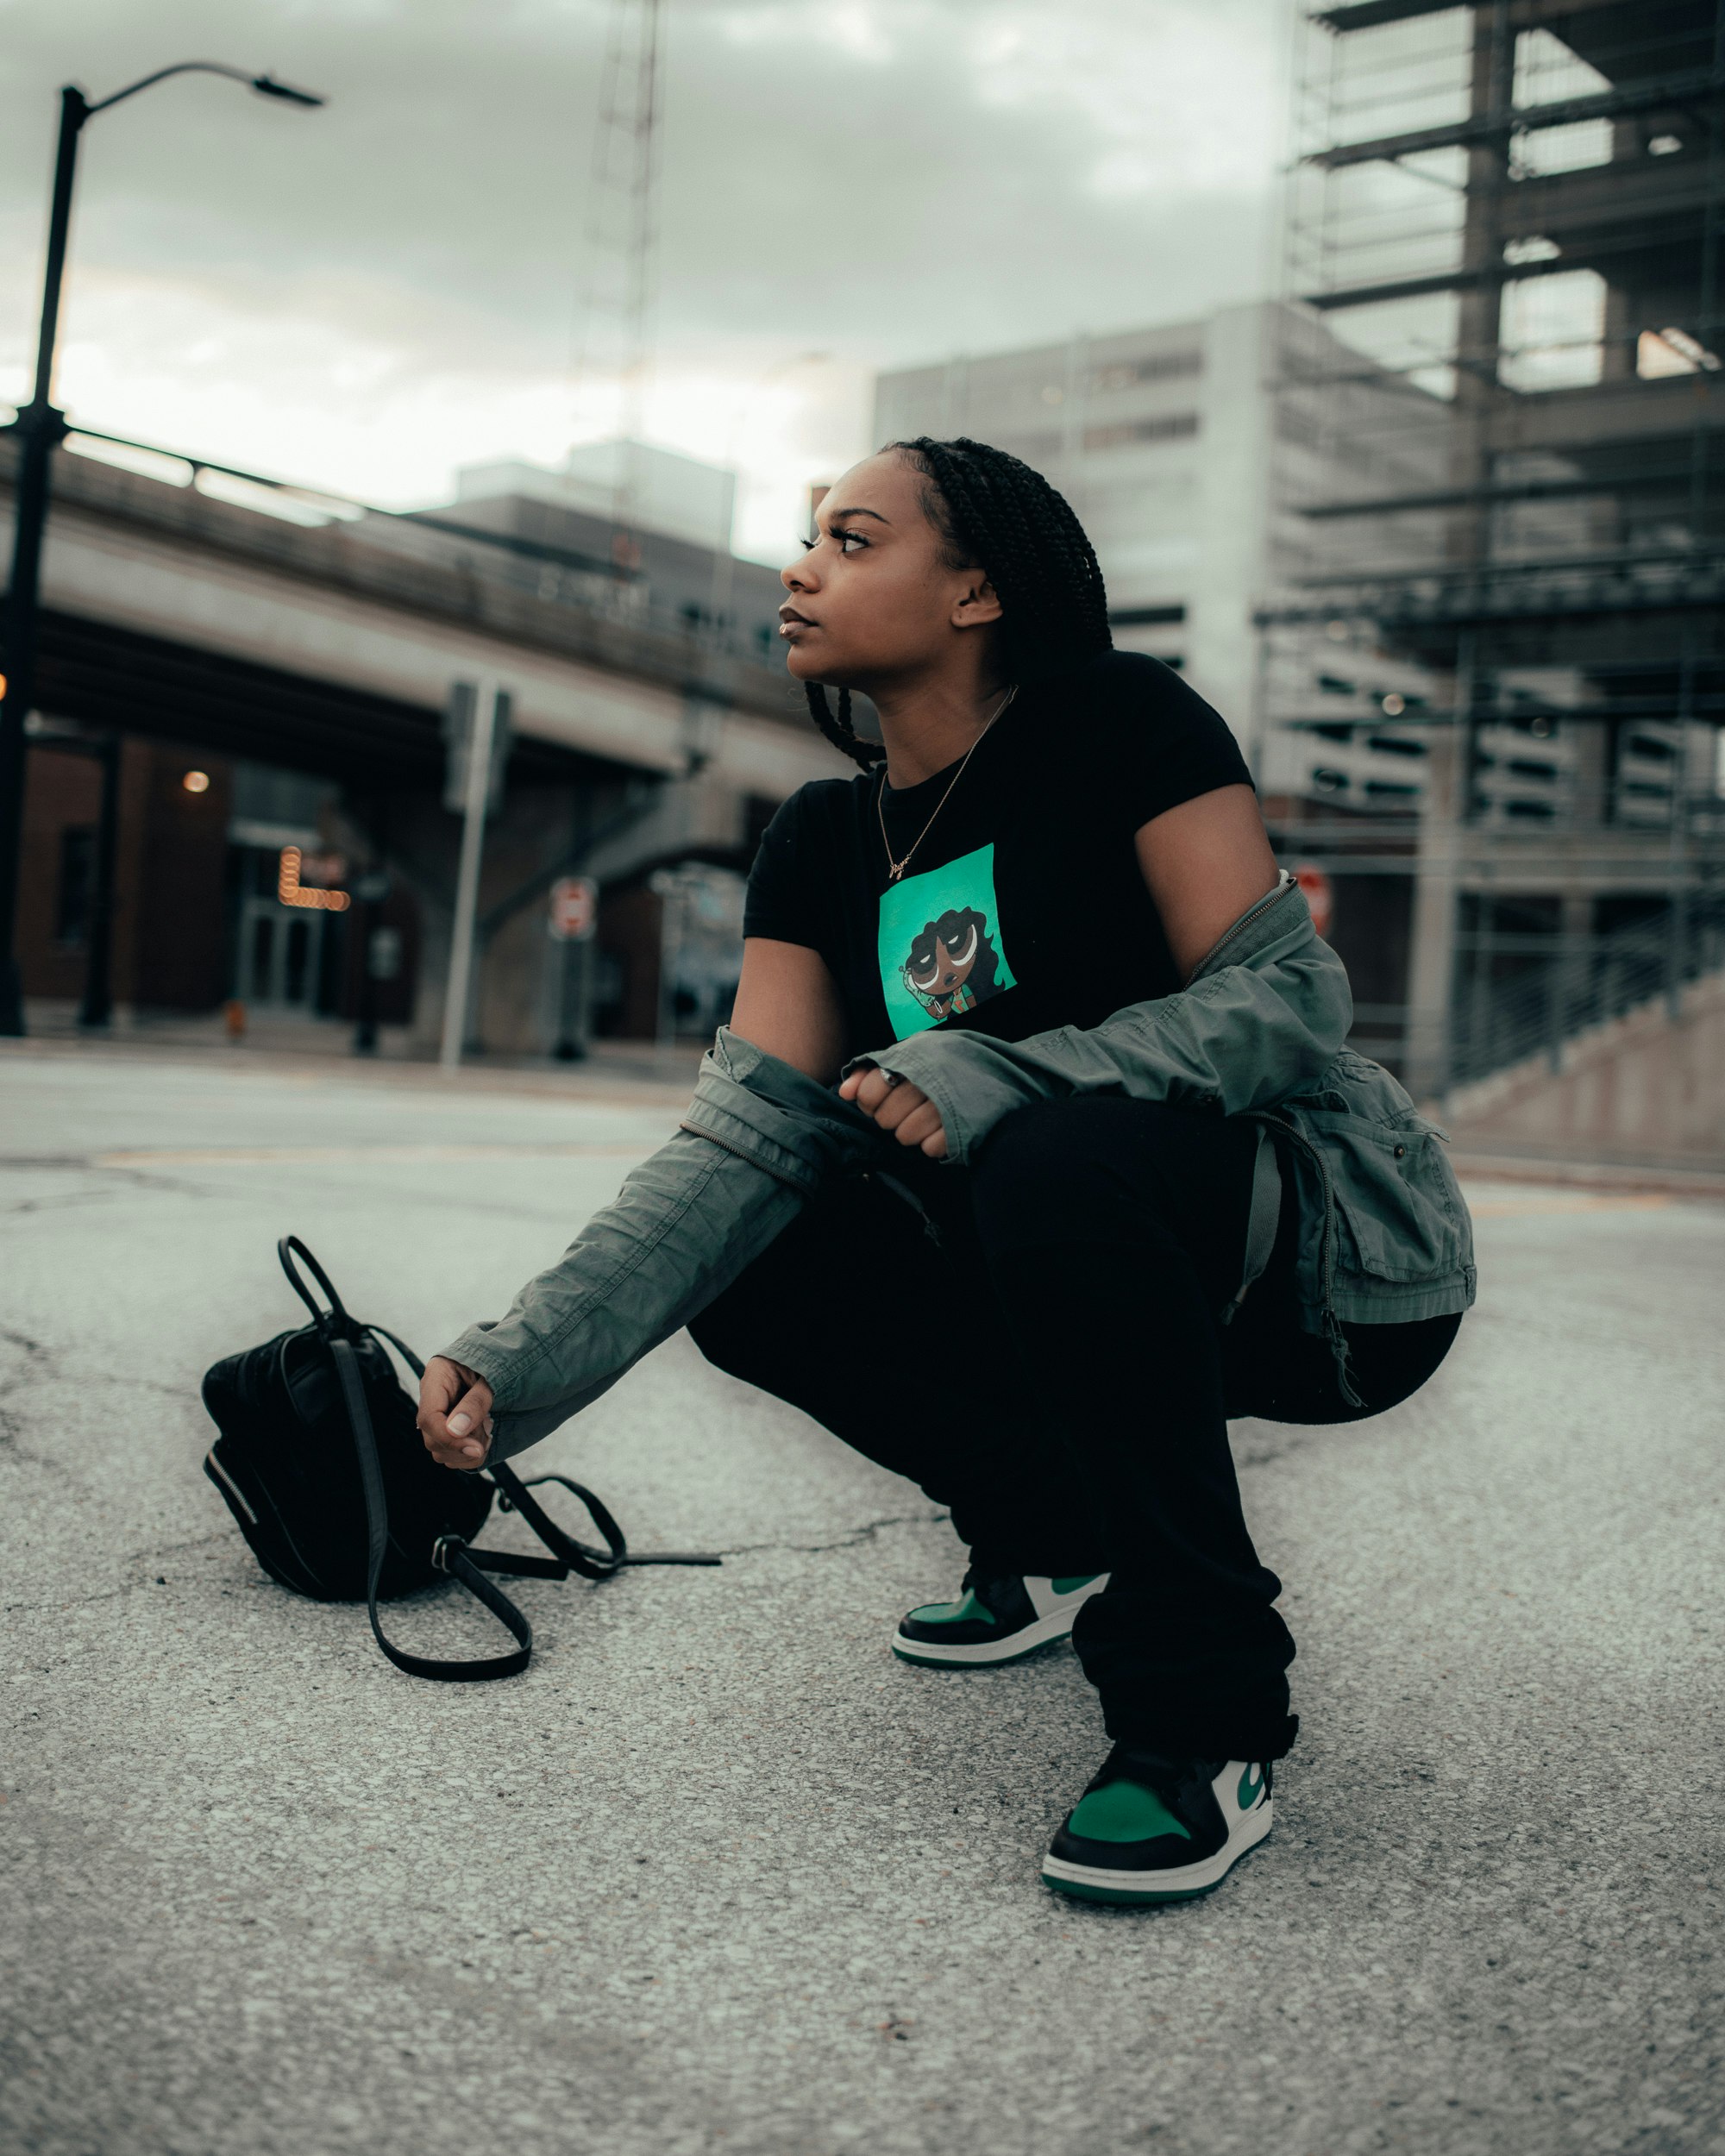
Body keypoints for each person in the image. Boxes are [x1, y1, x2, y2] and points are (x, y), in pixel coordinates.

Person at [417, 438, 1474, 1908]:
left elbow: (1286, 1007)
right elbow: (745, 1137)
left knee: (1052, 1151)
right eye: (807, 541)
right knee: (763, 1252)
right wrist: (515, 1364)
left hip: (1313, 1272)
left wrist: (1004, 1068)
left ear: (976, 588)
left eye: (852, 540)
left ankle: (1202, 1720)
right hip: (1066, 1253)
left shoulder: (1125, 726)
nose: (802, 569)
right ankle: (1052, 1532)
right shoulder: (821, 841)